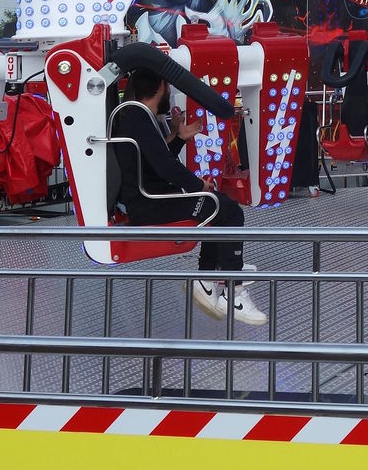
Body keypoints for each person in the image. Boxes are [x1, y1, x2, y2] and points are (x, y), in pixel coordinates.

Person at [111, 46, 264, 327]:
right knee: (227, 210)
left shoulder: (136, 116)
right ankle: (233, 290)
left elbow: (153, 162)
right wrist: (198, 185)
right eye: (168, 86)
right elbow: (164, 167)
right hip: (149, 204)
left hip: (150, 198)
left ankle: (208, 279)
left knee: (218, 207)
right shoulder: (137, 116)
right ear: (161, 85)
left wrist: (179, 138)